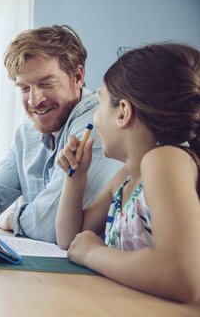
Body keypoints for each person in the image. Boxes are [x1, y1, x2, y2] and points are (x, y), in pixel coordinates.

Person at [0, 25, 122, 242]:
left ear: (77, 76)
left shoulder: (95, 121)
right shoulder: (28, 132)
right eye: (24, 88)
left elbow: (49, 227)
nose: (33, 100)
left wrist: (13, 219)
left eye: (46, 83)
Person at [55, 43, 200, 302]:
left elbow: (182, 276)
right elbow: (70, 240)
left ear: (122, 112)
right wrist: (77, 179)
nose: (96, 118)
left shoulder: (166, 159)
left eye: (99, 104)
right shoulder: (126, 178)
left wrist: (93, 255)